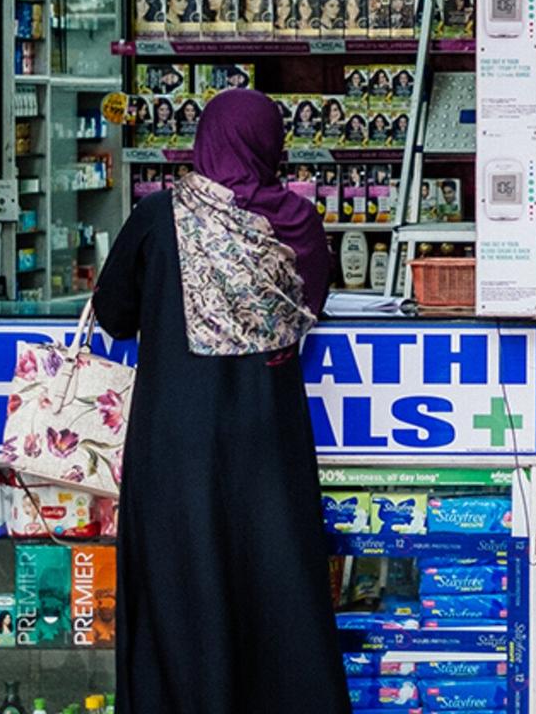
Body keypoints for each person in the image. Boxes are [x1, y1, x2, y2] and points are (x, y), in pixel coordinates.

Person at [92, 89, 345, 714]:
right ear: (269, 143)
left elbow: (114, 314)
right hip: (268, 437)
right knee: (275, 580)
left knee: (181, 583)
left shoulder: (159, 218)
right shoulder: (297, 221)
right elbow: (310, 307)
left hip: (175, 439)